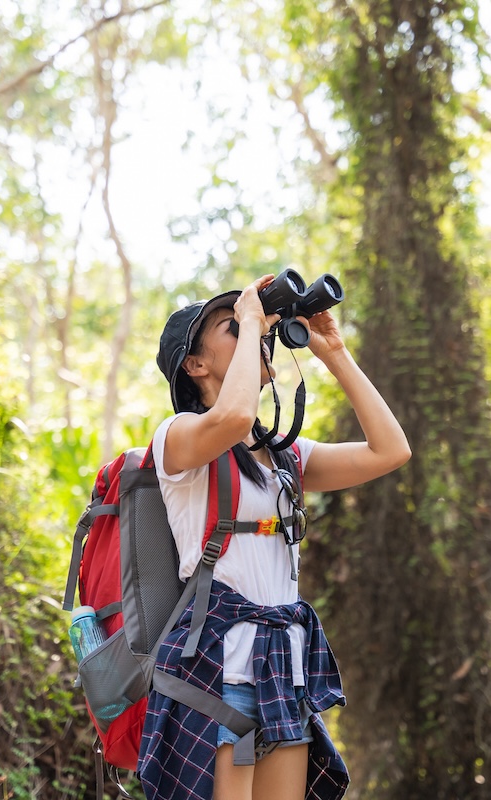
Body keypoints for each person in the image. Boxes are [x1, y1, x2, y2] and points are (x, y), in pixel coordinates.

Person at [137, 274, 411, 800]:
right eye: (232, 328)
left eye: (257, 328)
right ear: (195, 366)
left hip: (283, 670)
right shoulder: (178, 439)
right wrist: (251, 316)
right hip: (215, 672)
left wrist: (334, 353)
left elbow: (390, 450)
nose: (257, 333)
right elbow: (233, 415)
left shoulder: (285, 456)